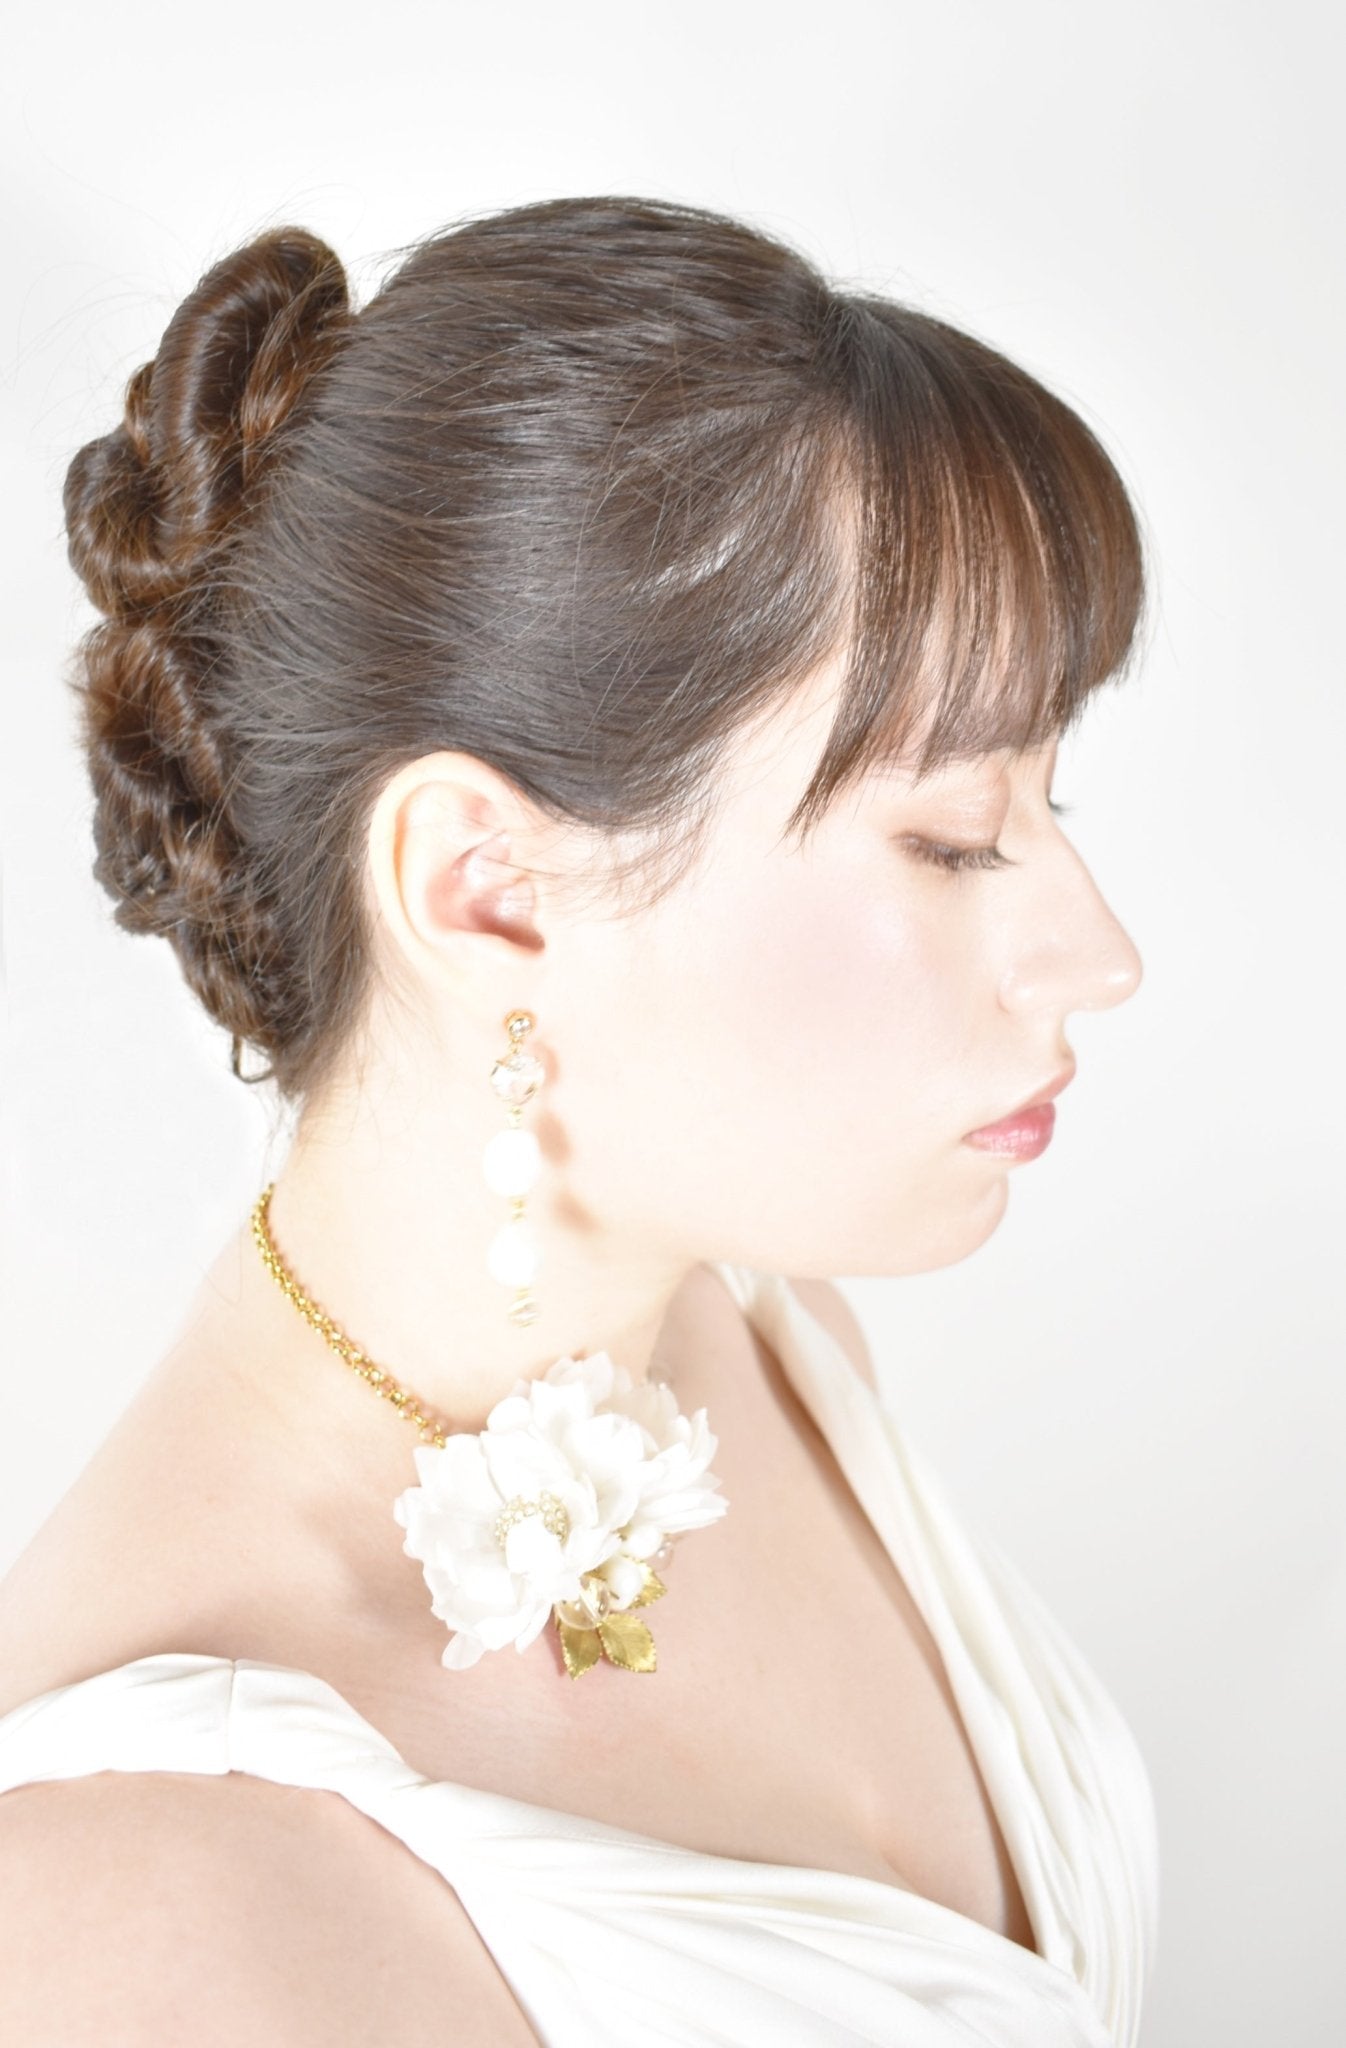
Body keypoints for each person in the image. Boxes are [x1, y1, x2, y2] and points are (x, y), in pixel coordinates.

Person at [0, 195, 1158, 2045]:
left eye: (1051, 801)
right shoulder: (141, 1915)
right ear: (486, 892)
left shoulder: (759, 1336)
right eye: (950, 839)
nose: (1094, 955)